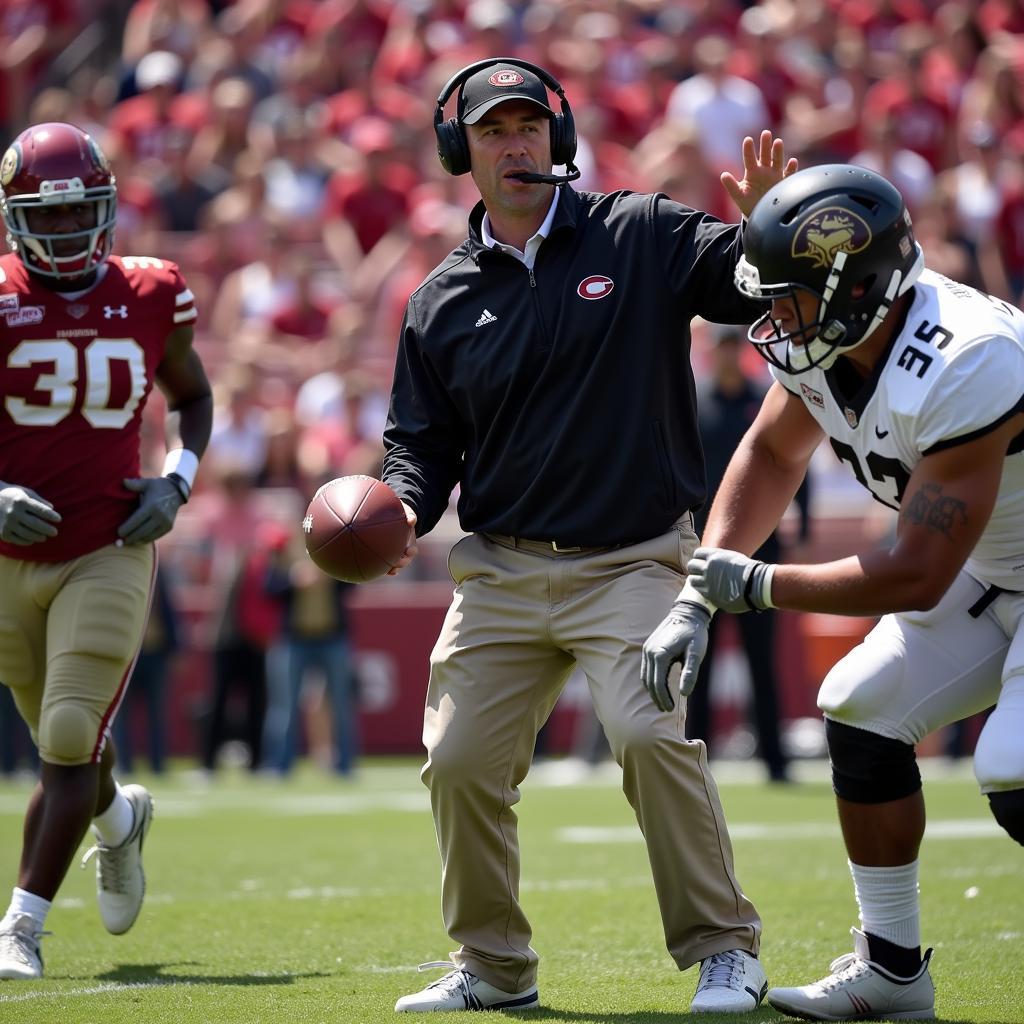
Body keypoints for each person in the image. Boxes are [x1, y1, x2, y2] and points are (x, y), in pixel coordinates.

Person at [381, 57, 797, 1014]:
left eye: (529, 126)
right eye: (492, 132)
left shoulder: (640, 232)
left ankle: (725, 947)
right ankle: (492, 967)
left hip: (634, 560)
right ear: (462, 154)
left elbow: (742, 286)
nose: (515, 143)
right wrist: (400, 507)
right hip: (501, 573)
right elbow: (419, 446)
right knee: (457, 763)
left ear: (558, 138)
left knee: (649, 734)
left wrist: (771, 233)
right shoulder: (439, 300)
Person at [641, 163, 1024, 1021]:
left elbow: (915, 571)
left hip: (973, 565)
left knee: (1014, 765)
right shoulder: (843, 332)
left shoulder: (966, 359)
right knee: (858, 707)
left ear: (860, 291)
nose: (771, 320)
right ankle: (892, 972)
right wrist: (700, 594)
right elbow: (772, 454)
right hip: (992, 568)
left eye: (790, 298)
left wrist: (759, 585)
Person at [0, 122, 212, 979]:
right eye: (43, 221)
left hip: (110, 543)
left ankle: (20, 927)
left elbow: (192, 396)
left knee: (64, 730)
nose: (63, 234)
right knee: (72, 750)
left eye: (78, 215)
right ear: (14, 221)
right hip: (8, 557)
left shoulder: (154, 290)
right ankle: (119, 820)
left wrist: (178, 480)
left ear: (110, 208)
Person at [687, 327, 811, 783]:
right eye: (720, 348)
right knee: (698, 659)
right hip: (704, 550)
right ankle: (695, 758)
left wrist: (806, 520)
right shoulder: (695, 404)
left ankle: (775, 761)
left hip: (761, 550)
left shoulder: (762, 399)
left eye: (733, 348)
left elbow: (794, 457)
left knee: (763, 660)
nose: (726, 356)